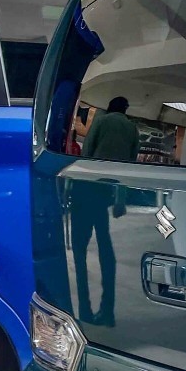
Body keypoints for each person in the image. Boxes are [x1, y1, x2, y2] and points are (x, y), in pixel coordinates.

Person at [71, 97, 139, 327]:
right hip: (108, 194)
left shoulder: (101, 121)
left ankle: (84, 309)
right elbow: (130, 167)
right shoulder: (132, 128)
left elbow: (87, 153)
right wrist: (121, 199)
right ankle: (108, 310)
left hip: (88, 189)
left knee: (79, 249)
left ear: (109, 107)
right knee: (106, 248)